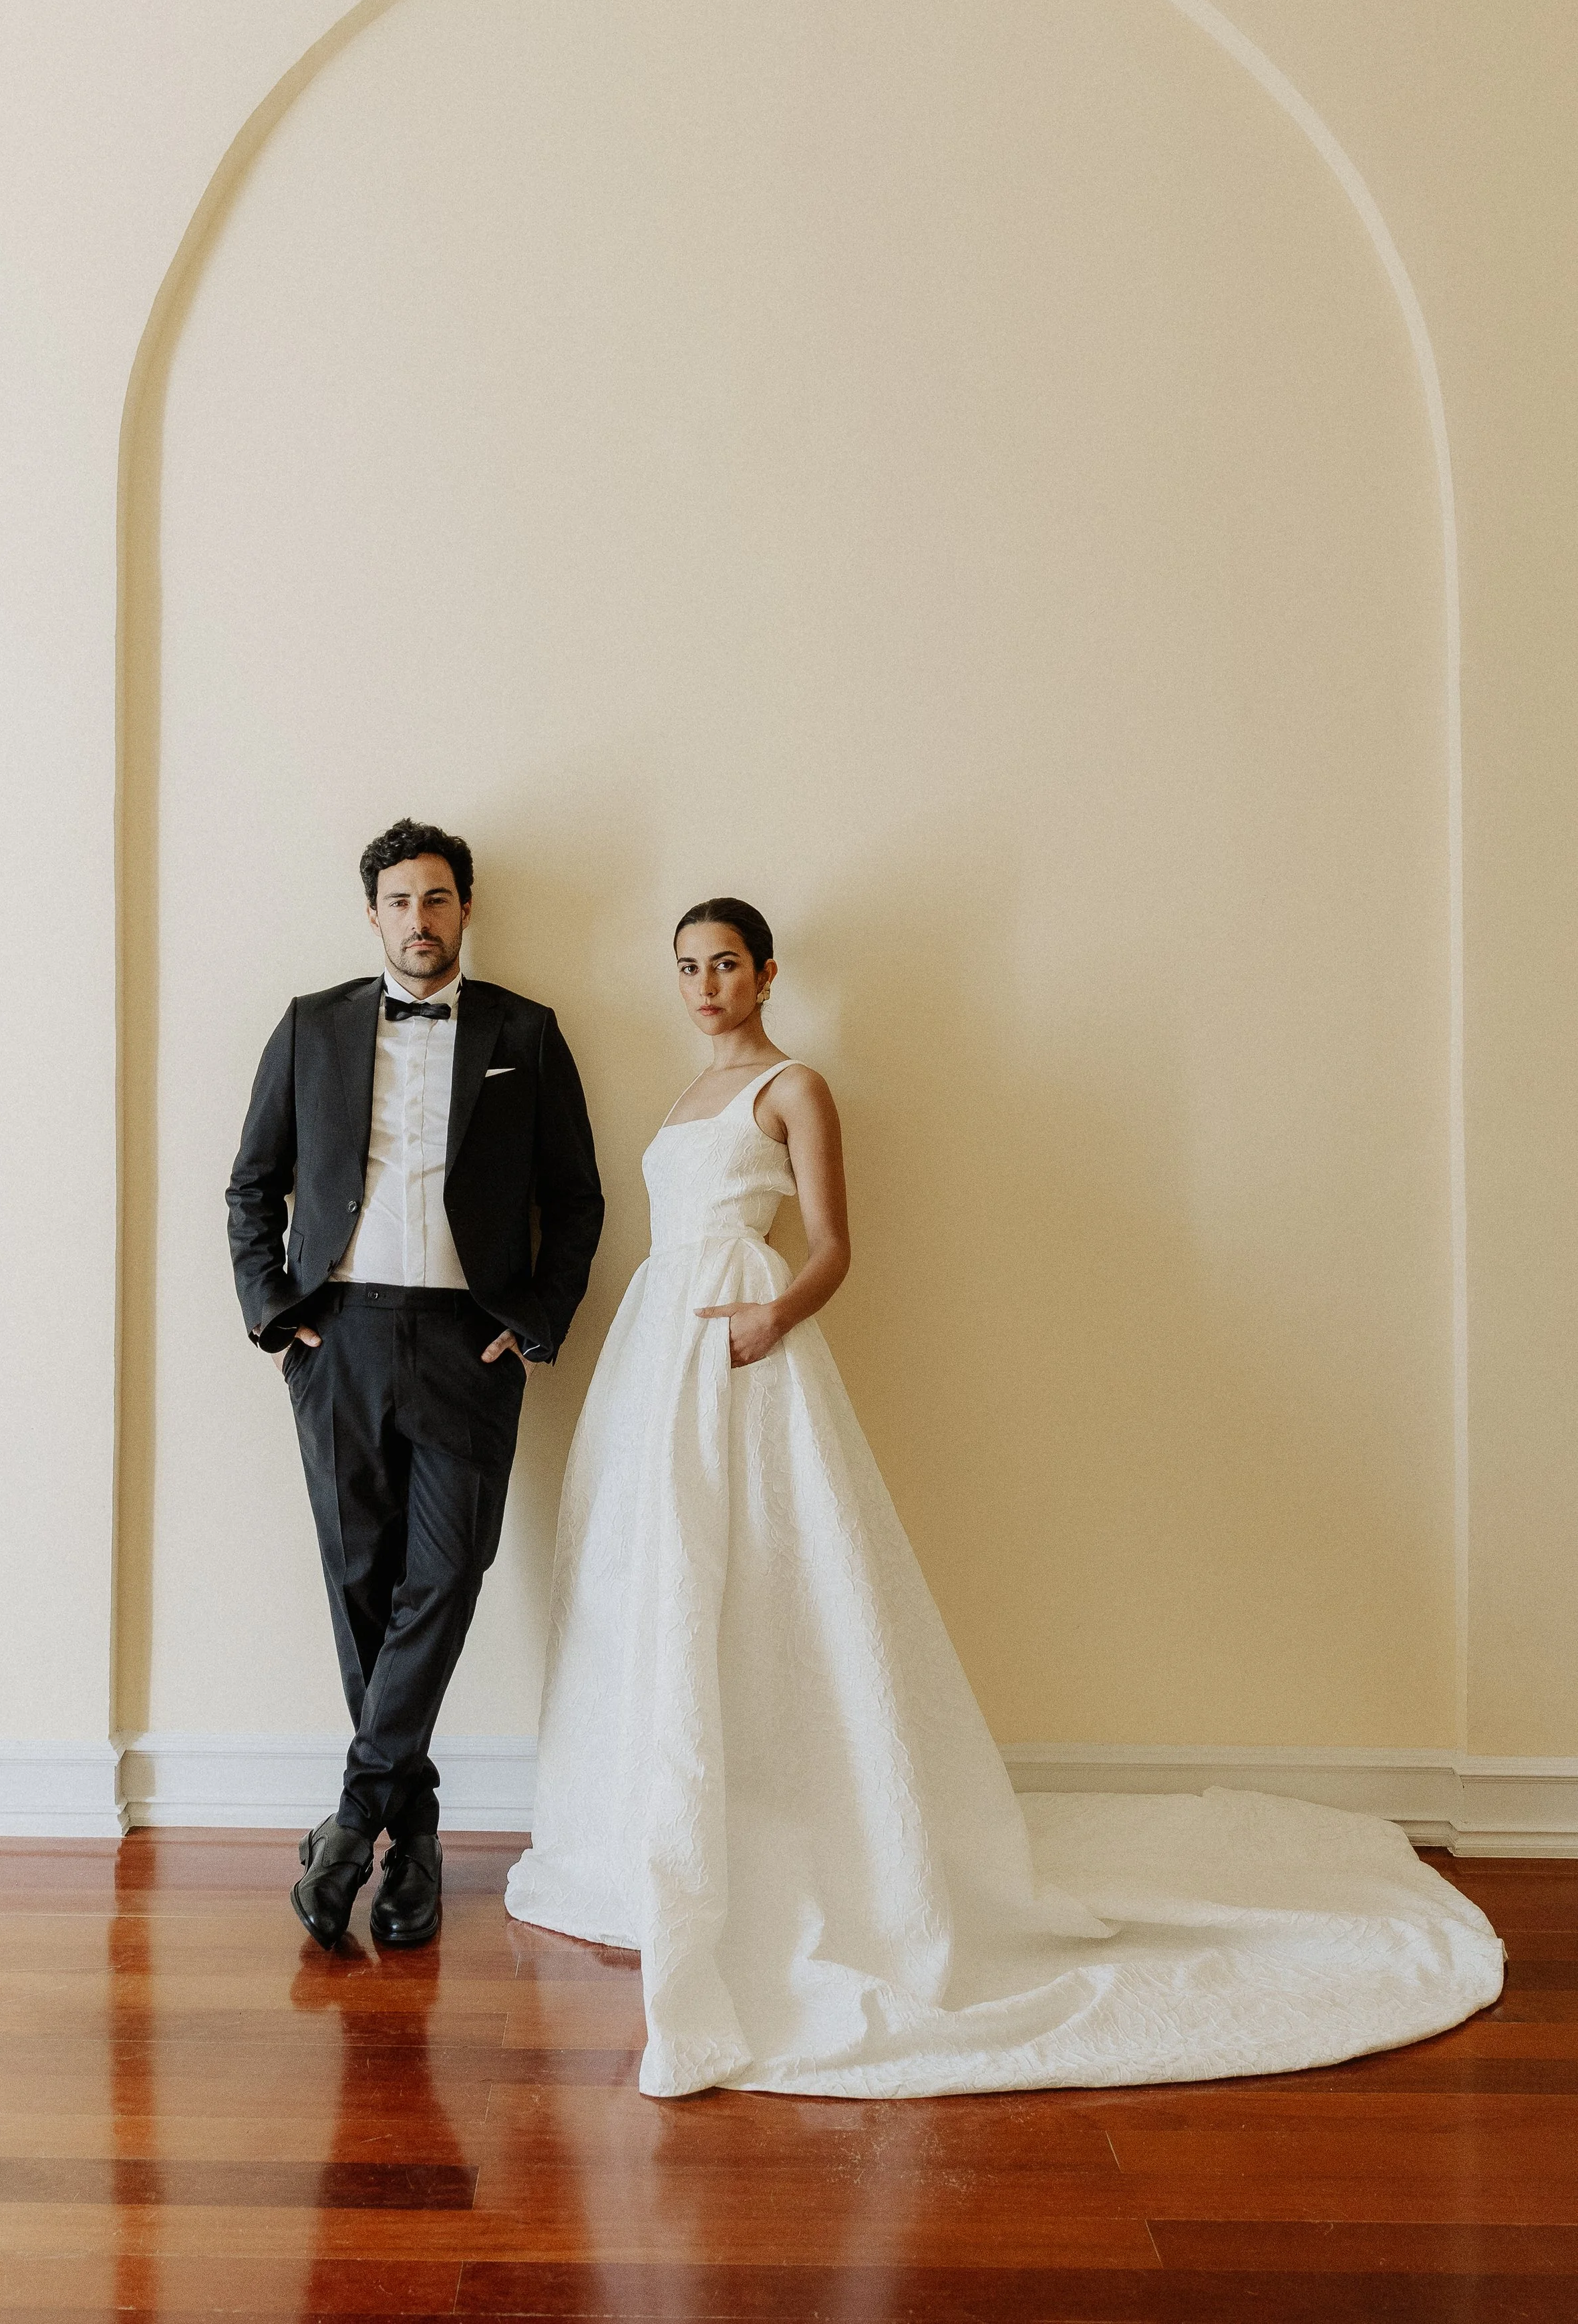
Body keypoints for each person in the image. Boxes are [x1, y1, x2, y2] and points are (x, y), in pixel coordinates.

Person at [506, 899, 1501, 2098]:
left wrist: (774, 1316)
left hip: (743, 1341)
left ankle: (800, 1825)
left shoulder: (794, 1086)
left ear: (767, 971)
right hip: (663, 1337)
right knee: (659, 1574)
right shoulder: (677, 1102)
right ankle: (662, 1826)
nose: (705, 984)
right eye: (688, 968)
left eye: (725, 964)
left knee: (765, 1567)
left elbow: (833, 1241)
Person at [228, 819, 604, 1951]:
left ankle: (353, 1822)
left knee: (444, 1576)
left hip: (466, 1344)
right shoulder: (311, 1027)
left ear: (466, 908)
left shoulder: (524, 1033)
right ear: (374, 913)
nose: (420, 919)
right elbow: (252, 1186)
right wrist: (276, 1315)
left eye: (438, 899)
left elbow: (575, 1201)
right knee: (360, 1584)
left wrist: (531, 1321)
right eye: (401, 900)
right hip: (337, 1337)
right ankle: (417, 1834)